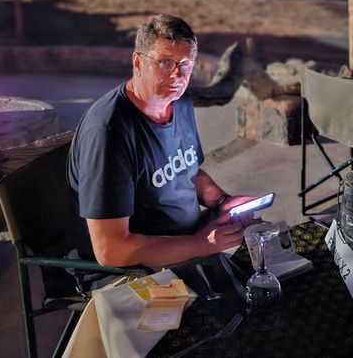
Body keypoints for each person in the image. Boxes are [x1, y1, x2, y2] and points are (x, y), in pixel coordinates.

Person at [67, 14, 258, 267]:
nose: (177, 75)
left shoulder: (180, 103)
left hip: (189, 243)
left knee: (272, 255)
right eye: (165, 62)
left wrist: (223, 202)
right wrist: (201, 244)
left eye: (186, 64)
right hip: (141, 266)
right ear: (137, 62)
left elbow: (188, 172)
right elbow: (110, 250)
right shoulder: (109, 132)